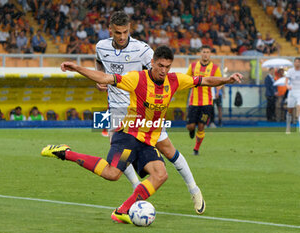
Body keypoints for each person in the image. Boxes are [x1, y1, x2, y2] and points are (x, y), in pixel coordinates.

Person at [41, 45, 242, 224]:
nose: (164, 71)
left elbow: (205, 80)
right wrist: (76, 68)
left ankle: (122, 210)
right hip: (127, 135)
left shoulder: (174, 80)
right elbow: (104, 78)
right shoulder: (137, 79)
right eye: (160, 65)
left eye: (167, 66)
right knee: (112, 174)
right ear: (152, 63)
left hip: (148, 141)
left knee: (161, 175)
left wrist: (228, 79)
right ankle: (66, 152)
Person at [95, 11, 204, 215]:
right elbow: (99, 63)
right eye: (117, 32)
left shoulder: (143, 50)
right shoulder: (101, 46)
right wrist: (100, 79)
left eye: (125, 32)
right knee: (119, 156)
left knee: (168, 149)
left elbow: (159, 75)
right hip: (117, 110)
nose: (121, 36)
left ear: (130, 29)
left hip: (143, 110)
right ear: (110, 30)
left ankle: (194, 189)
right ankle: (137, 192)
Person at [186, 45, 222, 155]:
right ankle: (192, 130)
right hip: (194, 102)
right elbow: (187, 79)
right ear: (200, 53)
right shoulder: (192, 66)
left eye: (207, 52)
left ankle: (196, 149)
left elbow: (219, 81)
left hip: (207, 103)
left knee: (201, 126)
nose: (205, 54)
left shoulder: (215, 68)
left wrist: (217, 91)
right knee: (191, 126)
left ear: (210, 54)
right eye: (204, 52)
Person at [285, 57, 300, 134]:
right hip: (292, 91)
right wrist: (287, 85)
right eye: (296, 62)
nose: (297, 63)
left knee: (299, 107)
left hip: (299, 92)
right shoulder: (290, 71)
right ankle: (288, 127)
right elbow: (286, 80)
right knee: (290, 110)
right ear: (294, 63)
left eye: (298, 62)